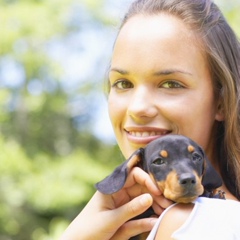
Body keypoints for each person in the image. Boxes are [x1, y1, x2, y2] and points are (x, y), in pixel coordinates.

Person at [60, 0, 240, 239]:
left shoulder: (190, 223)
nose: (138, 108)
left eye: (170, 84)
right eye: (123, 83)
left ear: (221, 101)